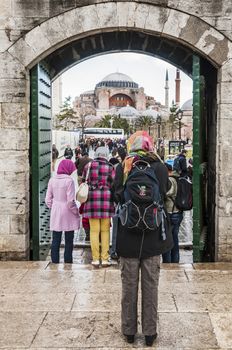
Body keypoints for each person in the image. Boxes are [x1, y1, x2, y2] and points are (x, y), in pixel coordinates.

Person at [113, 131, 173, 347]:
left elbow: (116, 194)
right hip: (153, 236)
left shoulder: (124, 166)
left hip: (128, 237)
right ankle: (150, 333)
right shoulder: (159, 166)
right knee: (151, 286)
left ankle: (129, 331)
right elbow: (165, 193)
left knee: (128, 287)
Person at [81, 146, 115, 267]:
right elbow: (114, 185)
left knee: (94, 231)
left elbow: (83, 181)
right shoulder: (110, 167)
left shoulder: (88, 166)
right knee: (105, 230)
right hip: (106, 201)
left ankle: (95, 259)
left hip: (91, 201)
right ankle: (105, 258)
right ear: (106, 155)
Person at [45, 159, 80, 263]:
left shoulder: (52, 180)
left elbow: (47, 199)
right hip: (68, 212)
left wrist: (55, 206)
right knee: (69, 239)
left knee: (56, 239)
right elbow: (70, 201)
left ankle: (55, 261)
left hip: (56, 211)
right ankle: (68, 261)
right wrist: (76, 211)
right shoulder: (69, 181)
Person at [162, 163, 183, 263]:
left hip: (171, 212)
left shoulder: (170, 179)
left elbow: (169, 192)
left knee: (168, 240)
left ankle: (168, 262)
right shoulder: (177, 178)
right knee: (175, 239)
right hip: (177, 212)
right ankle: (175, 261)